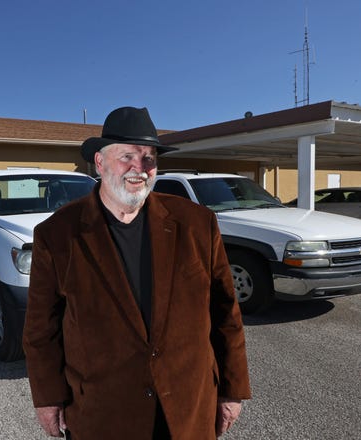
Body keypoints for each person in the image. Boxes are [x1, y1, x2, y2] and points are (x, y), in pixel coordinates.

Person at [23, 106, 251, 439]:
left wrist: (232, 390)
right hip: (104, 416)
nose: (139, 169)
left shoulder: (197, 224)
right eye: (127, 156)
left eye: (149, 159)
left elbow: (225, 312)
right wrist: (47, 399)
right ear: (99, 163)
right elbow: (41, 330)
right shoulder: (58, 234)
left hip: (188, 410)